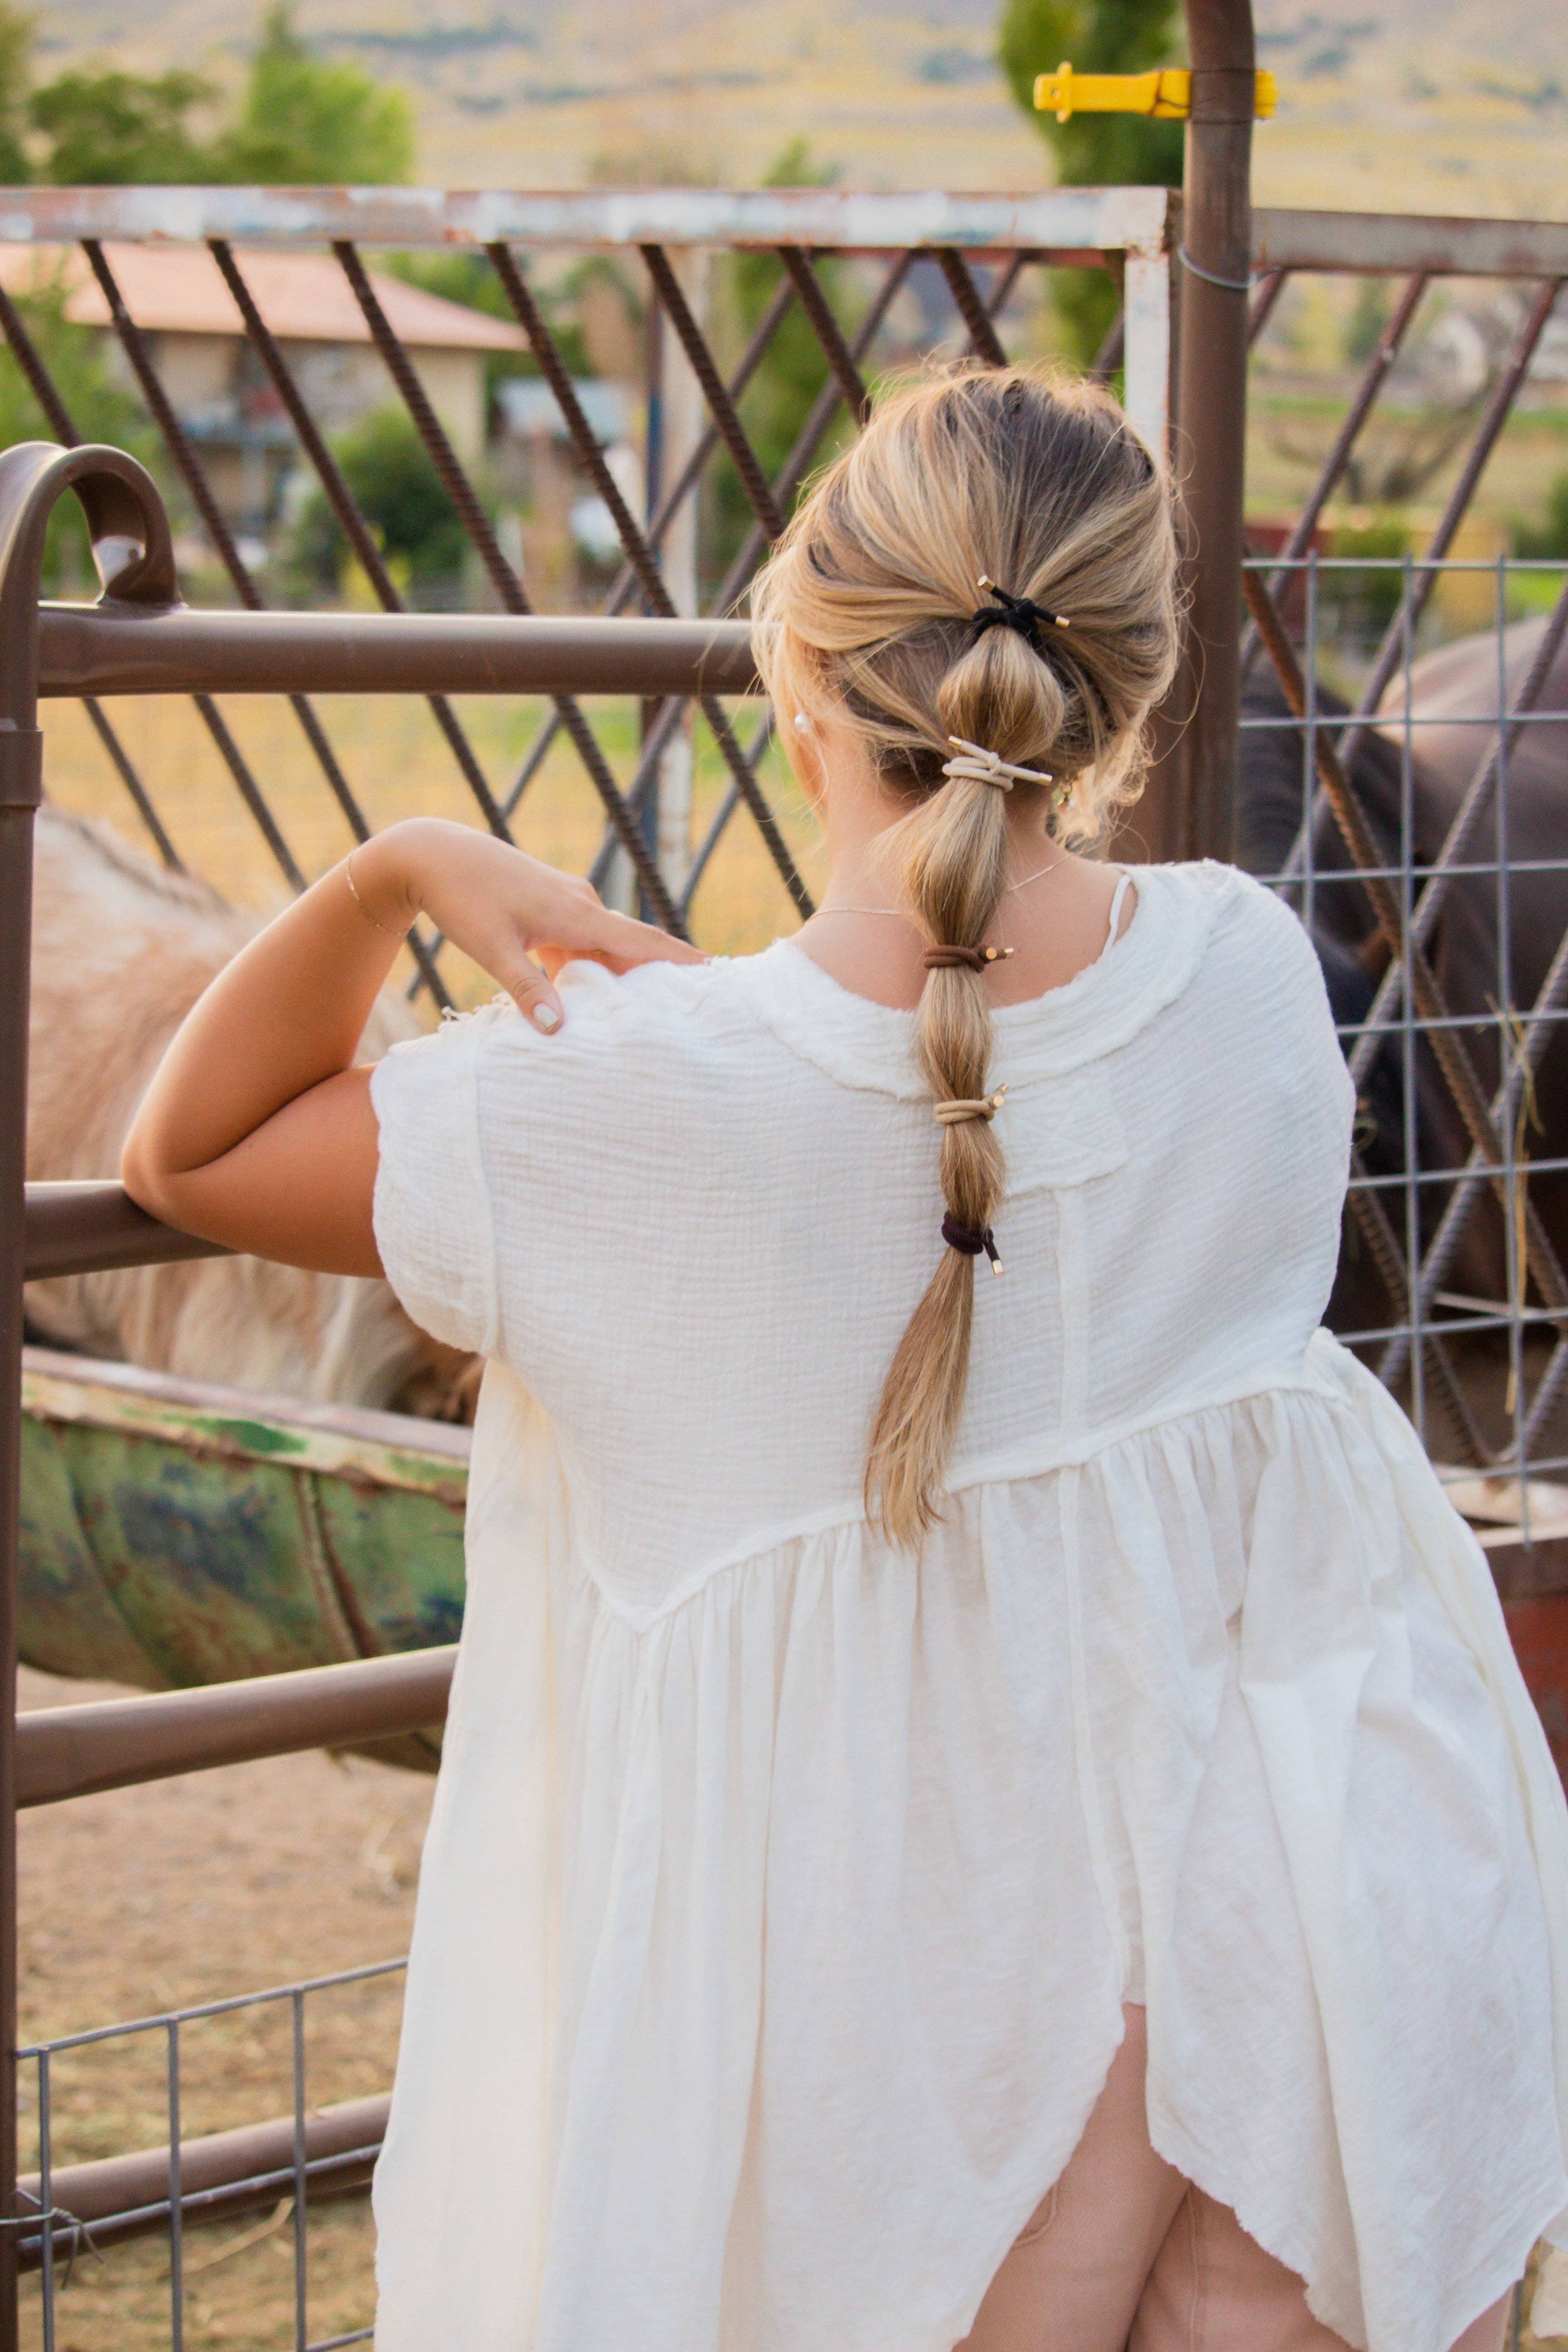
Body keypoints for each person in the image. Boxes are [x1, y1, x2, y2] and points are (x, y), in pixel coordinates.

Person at [121, 366, 1568, 2352]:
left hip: (923, 2055)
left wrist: (396, 868)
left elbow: (186, 1152)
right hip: (1332, 1914)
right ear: (1123, 696)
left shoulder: (624, 1116)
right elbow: (1009, 1124)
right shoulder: (1247, 971)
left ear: (793, 667)